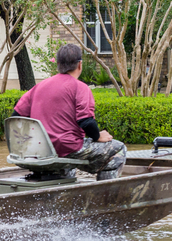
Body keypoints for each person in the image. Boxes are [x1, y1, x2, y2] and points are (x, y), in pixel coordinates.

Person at [13, 44, 126, 180]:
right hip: (67, 148)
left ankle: (63, 183)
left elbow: (16, 117)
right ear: (80, 65)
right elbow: (86, 122)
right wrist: (97, 137)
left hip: (39, 150)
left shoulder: (38, 87)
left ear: (58, 65)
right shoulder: (80, 87)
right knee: (119, 148)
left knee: (67, 156)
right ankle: (105, 194)